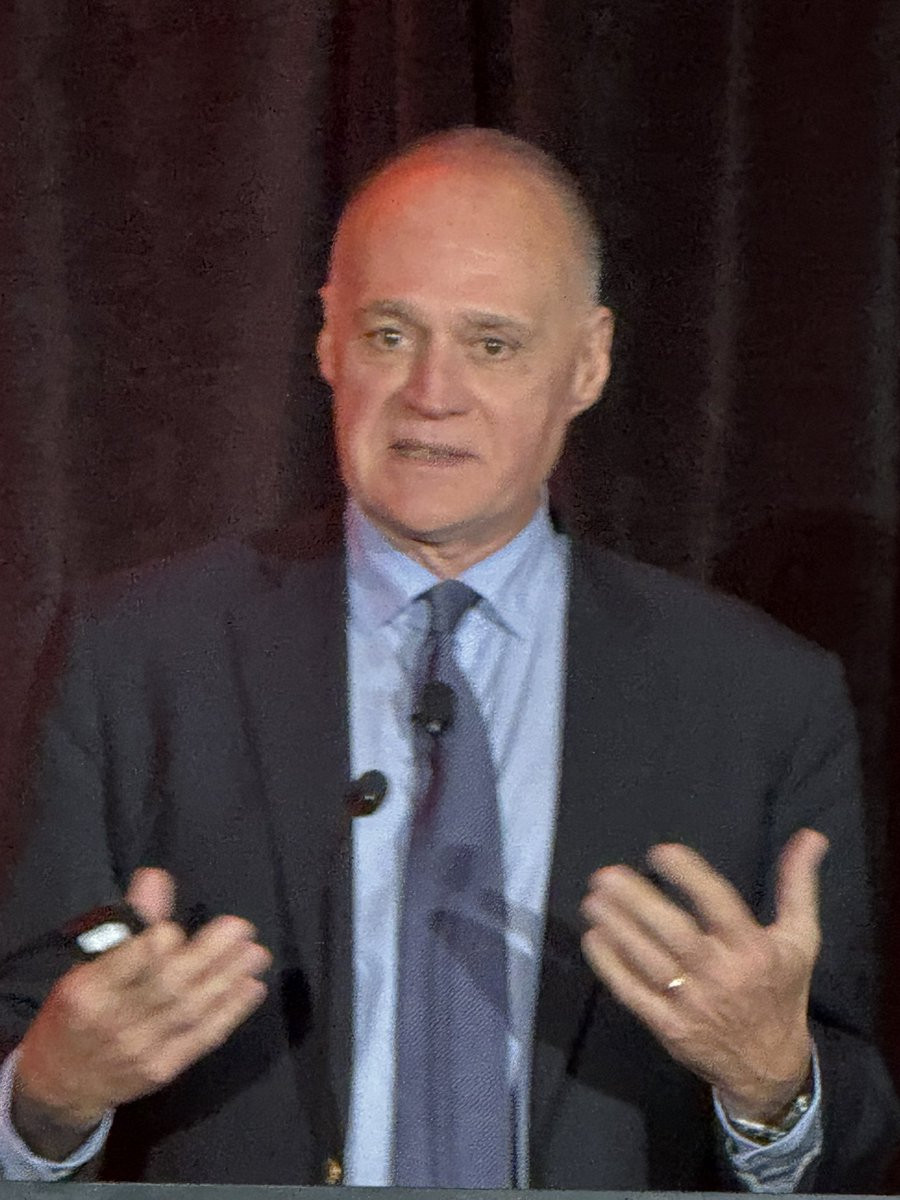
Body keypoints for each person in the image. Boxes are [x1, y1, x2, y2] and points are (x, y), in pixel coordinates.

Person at [0, 126, 896, 1191]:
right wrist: (48, 1096)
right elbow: (25, 1032)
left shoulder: (759, 698)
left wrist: (774, 1085)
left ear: (588, 362)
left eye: (492, 344)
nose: (432, 393)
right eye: (390, 334)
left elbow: (855, 1134)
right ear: (327, 341)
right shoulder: (135, 655)